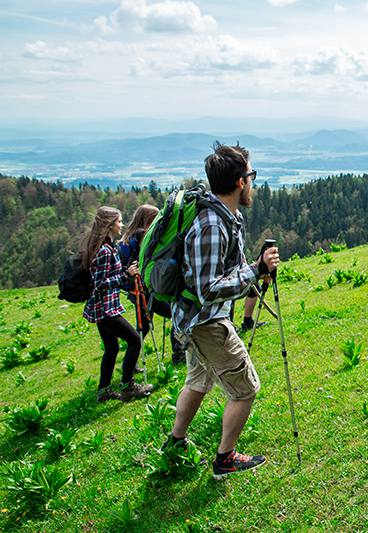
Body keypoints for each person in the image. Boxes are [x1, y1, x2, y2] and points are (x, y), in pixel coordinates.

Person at [164, 142, 280, 480]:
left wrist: (255, 272)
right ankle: (225, 459)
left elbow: (233, 268)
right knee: (245, 390)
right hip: (205, 321)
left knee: (199, 381)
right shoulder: (212, 225)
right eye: (251, 175)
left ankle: (175, 442)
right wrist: (255, 270)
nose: (253, 183)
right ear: (241, 182)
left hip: (197, 319)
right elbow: (208, 289)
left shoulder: (229, 217)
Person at [82, 206, 154, 401]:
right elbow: (99, 284)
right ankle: (128, 385)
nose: (122, 225)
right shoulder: (104, 250)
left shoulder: (103, 246)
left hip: (102, 308)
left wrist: (125, 273)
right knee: (134, 339)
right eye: (119, 221)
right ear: (110, 224)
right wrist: (125, 275)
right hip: (106, 309)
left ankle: (104, 390)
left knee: (112, 347)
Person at [118, 204, 187, 365]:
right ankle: (178, 353)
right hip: (147, 289)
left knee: (143, 327)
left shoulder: (127, 240)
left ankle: (132, 362)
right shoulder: (144, 236)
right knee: (175, 313)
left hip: (135, 290)